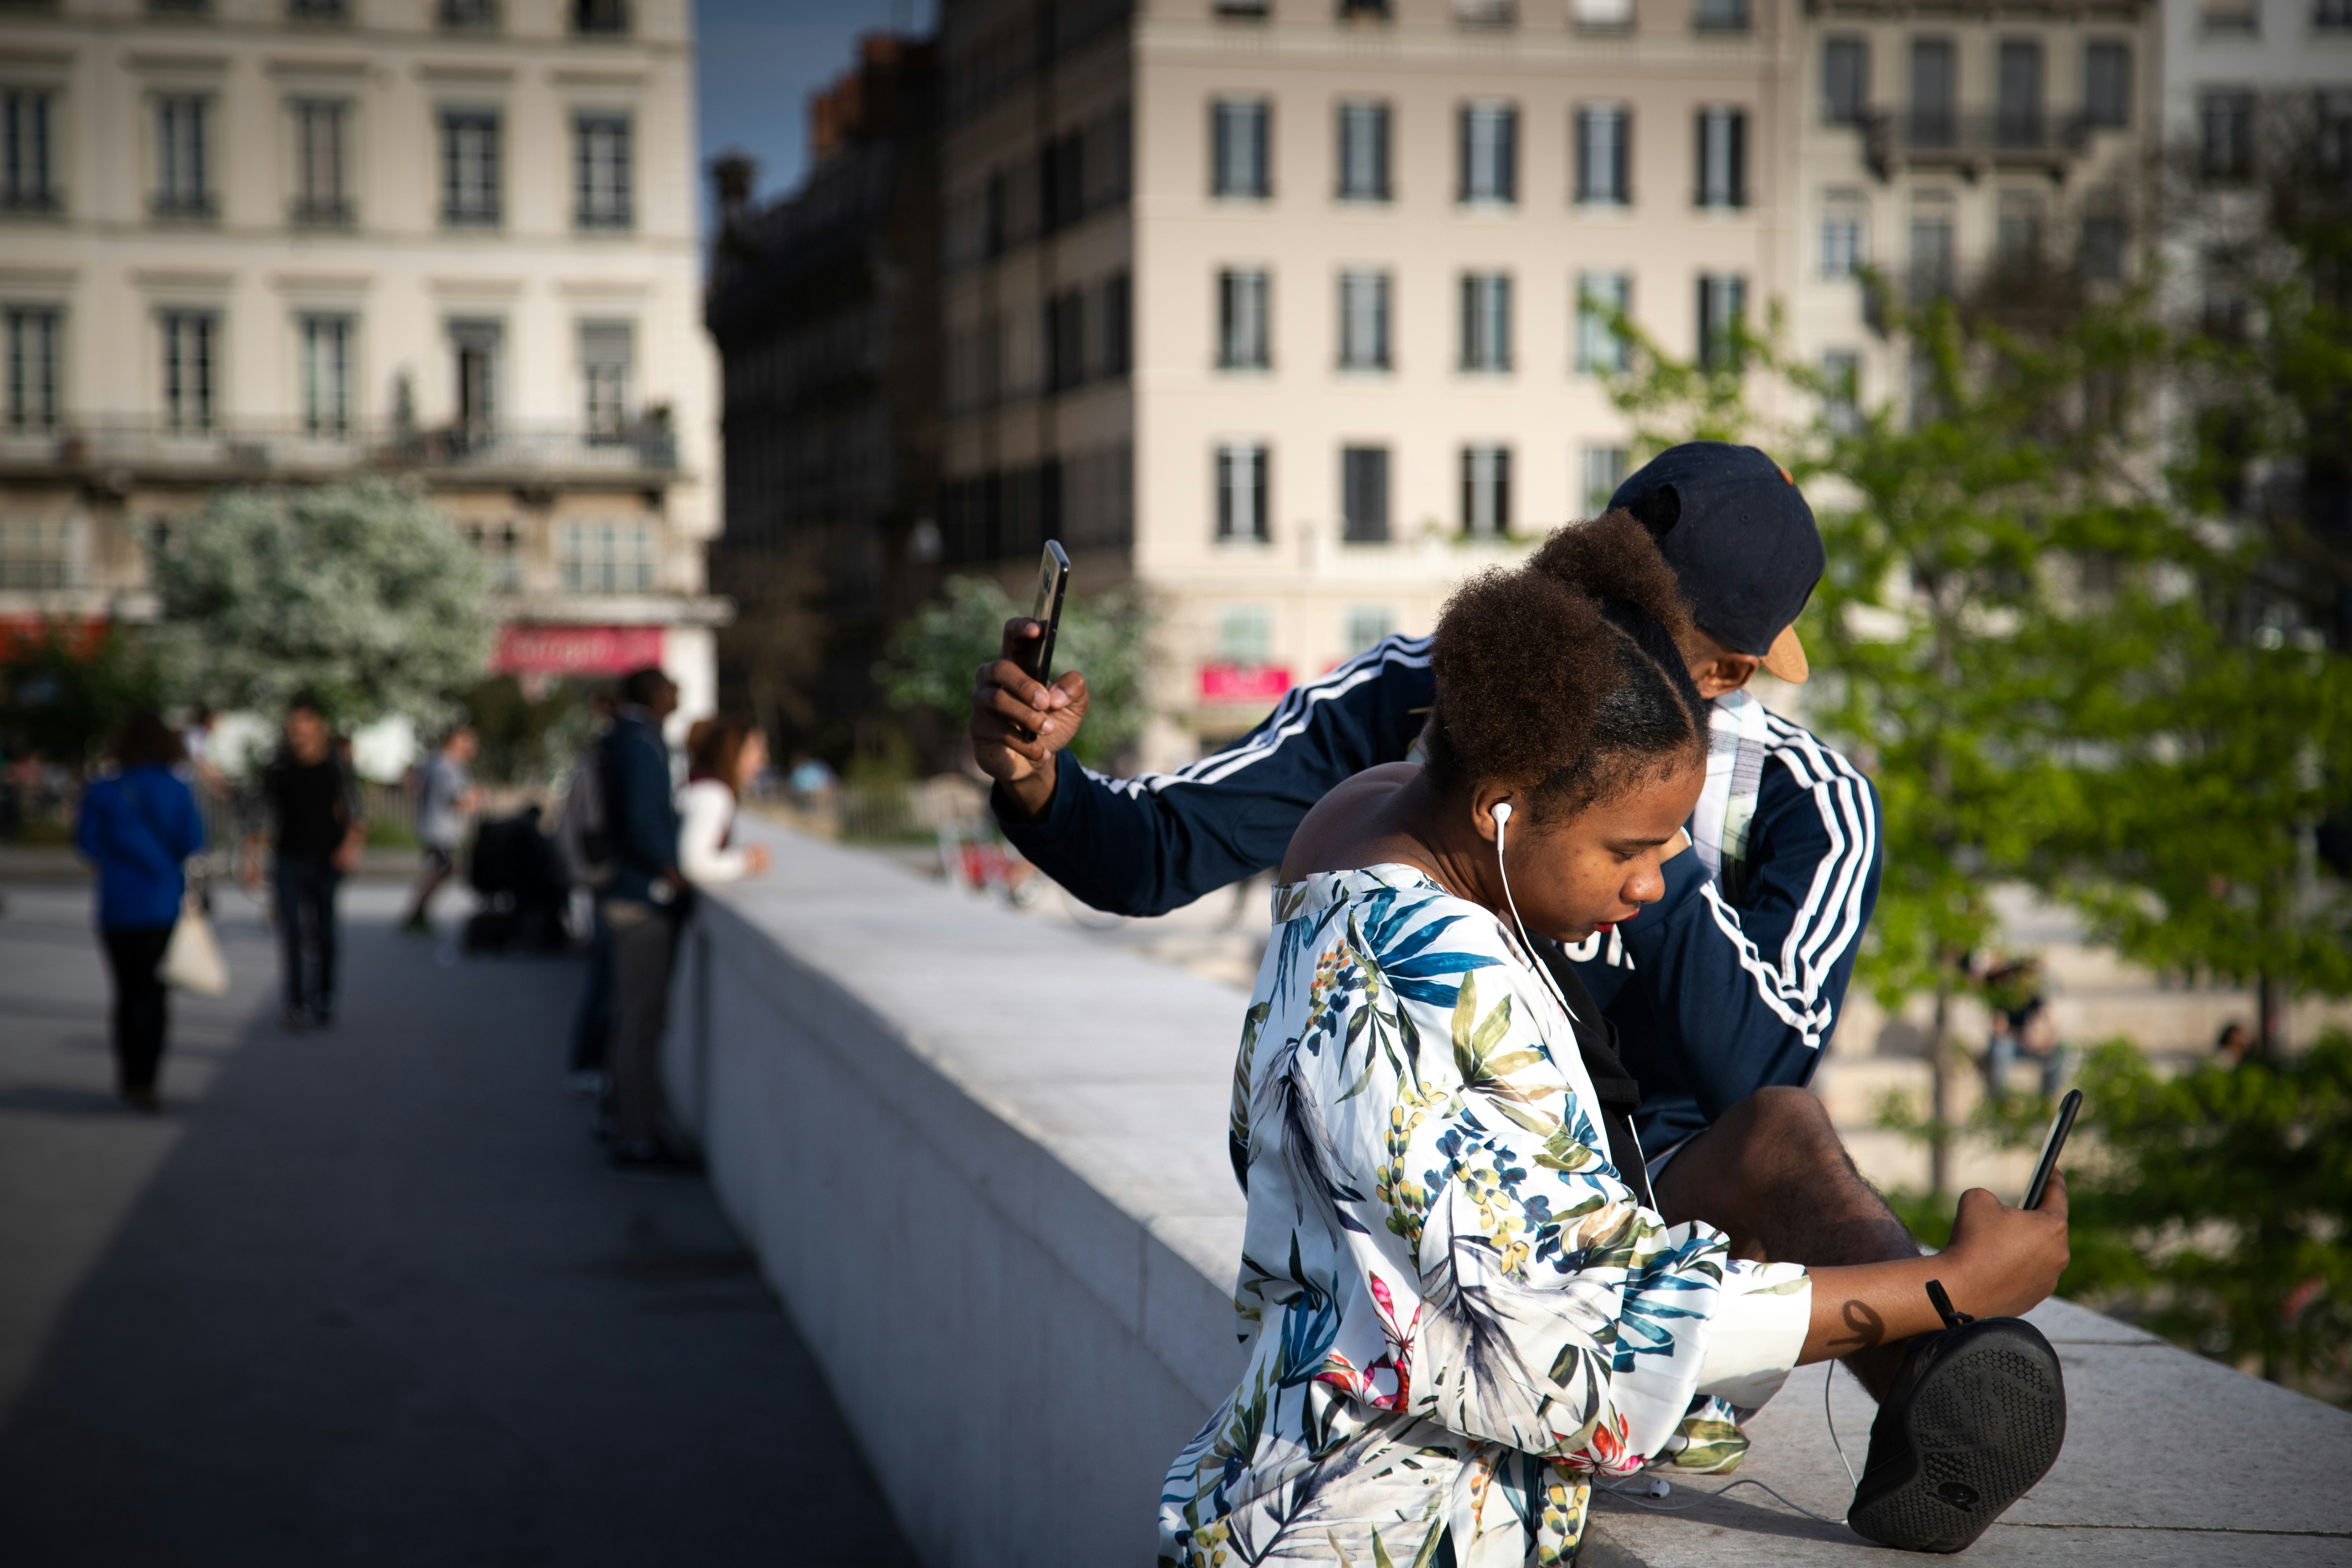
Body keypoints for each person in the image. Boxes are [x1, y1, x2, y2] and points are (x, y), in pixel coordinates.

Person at [1159, 519, 2071, 1563]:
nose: (1651, 884)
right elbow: (1582, 1339)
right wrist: (1949, 1287)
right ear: (1499, 809)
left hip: (1281, 1489)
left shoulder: (1353, 851)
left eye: (1671, 846)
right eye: (1627, 849)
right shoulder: (1436, 981)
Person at [972, 441, 1882, 1182]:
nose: (1579, 646)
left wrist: (1646, 828)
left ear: (1723, 674)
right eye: (1583, 607)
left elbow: (1760, 1080)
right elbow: (1153, 852)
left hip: (1659, 1187)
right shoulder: (1423, 689)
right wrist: (1035, 775)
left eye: (1629, 639)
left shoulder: (1809, 801)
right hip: (1426, 1170)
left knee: (1799, 1157)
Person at [74, 712, 206, 1112]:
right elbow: (192, 841)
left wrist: (122, 854)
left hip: (117, 903)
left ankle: (128, 1075)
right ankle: (147, 1080)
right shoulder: (177, 788)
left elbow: (87, 844)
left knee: (125, 992)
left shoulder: (104, 788)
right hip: (161, 902)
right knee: (154, 992)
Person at [598, 666, 687, 1167]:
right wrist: (671, 871)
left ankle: (620, 1118)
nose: (678, 694)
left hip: (622, 890)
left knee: (628, 1013)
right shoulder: (641, 741)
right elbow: (642, 819)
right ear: (654, 693)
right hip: (640, 898)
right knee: (640, 1020)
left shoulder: (623, 736)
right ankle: (638, 1138)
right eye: (671, 687)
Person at [241, 696, 365, 1031]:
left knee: (324, 931)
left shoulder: (335, 765)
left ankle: (323, 996)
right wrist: (251, 858)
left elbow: (356, 812)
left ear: (318, 729)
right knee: (292, 932)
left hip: (326, 858)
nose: (298, 734)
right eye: (293, 728)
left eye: (304, 728)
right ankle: (295, 1002)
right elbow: (259, 815)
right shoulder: (278, 767)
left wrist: (349, 847)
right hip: (288, 858)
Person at [401, 724, 480, 935]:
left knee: (440, 870)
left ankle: (419, 912)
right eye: (467, 740)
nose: (473, 746)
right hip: (441, 829)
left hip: (435, 827)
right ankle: (416, 913)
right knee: (439, 871)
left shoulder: (438, 763)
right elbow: (457, 799)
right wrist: (474, 798)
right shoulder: (448, 767)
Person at [678, 715, 773, 888]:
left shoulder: (705, 785)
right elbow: (694, 865)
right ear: (732, 750)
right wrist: (748, 861)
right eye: (755, 750)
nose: (763, 760)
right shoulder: (713, 795)